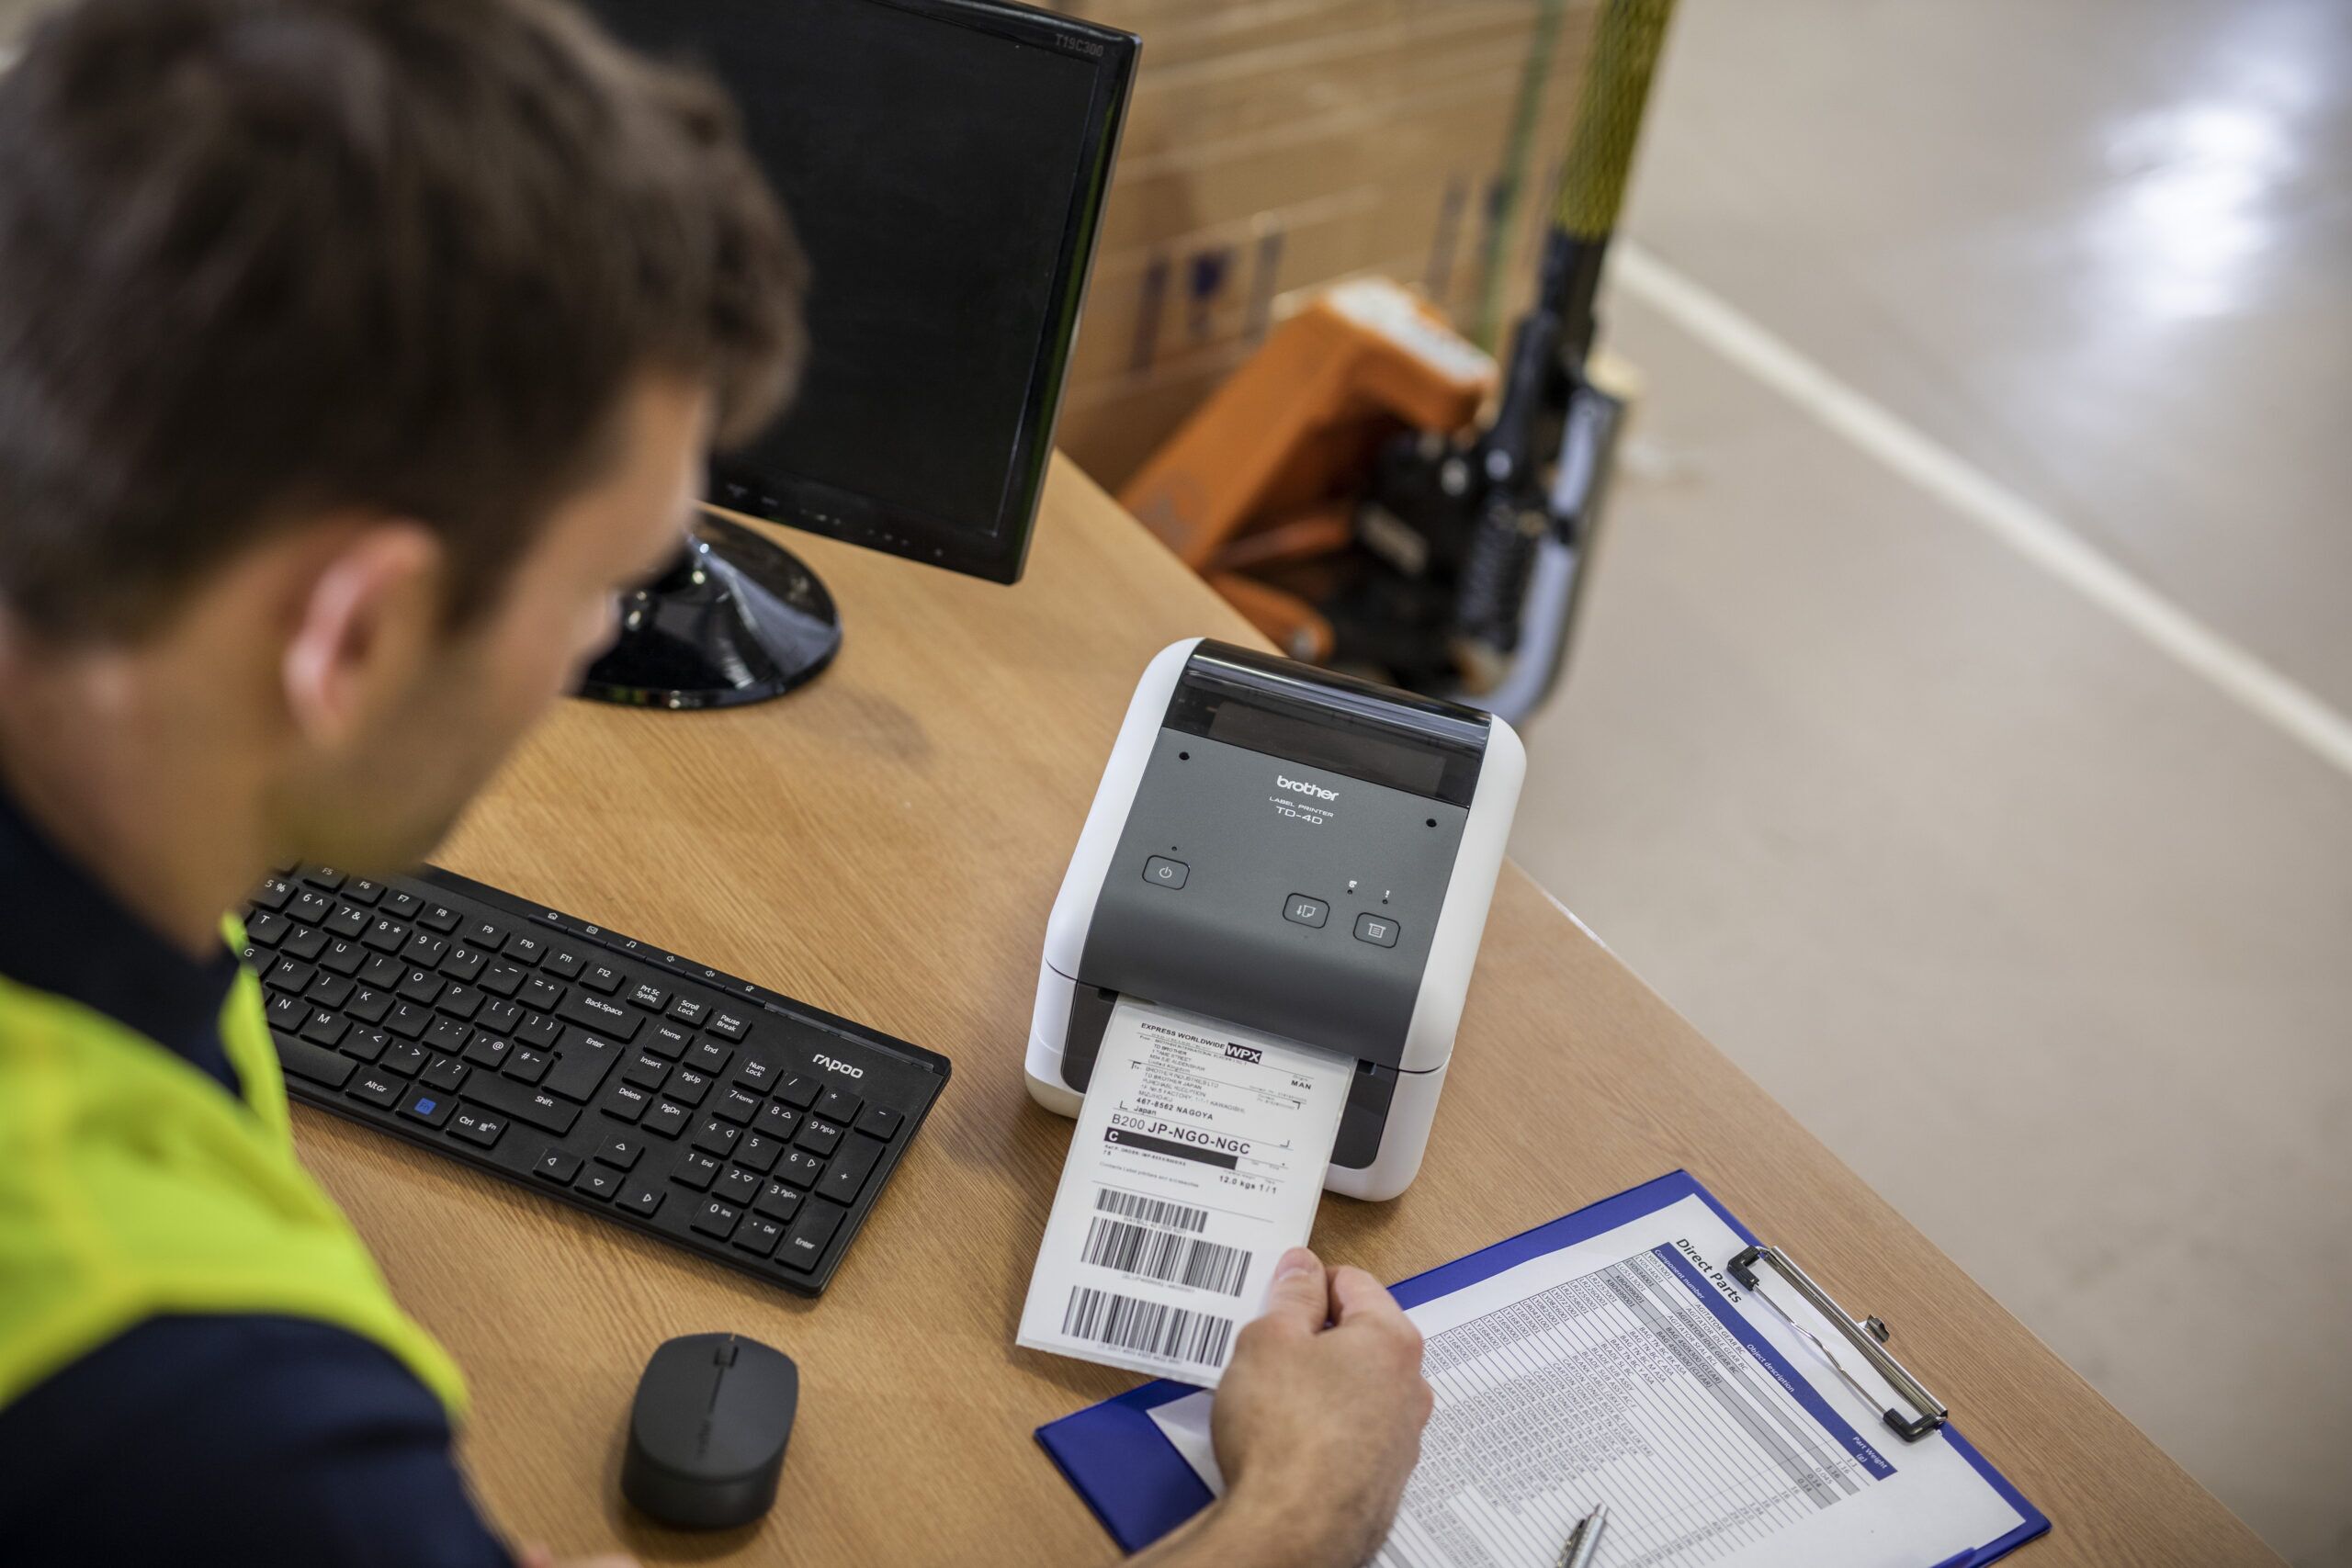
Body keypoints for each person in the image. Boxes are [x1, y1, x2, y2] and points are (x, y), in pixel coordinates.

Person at [0, 0, 1434, 1563]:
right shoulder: (195, 1401)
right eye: (601, 586)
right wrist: (1311, 1502)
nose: (599, 649)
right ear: (350, 639)